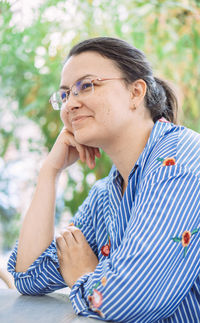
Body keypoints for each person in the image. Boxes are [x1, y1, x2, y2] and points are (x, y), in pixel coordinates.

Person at [7, 37, 200, 322]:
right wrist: (50, 171)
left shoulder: (181, 161)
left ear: (136, 92)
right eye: (64, 95)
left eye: (86, 85)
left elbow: (131, 300)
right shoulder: (107, 193)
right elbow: (28, 276)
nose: (70, 104)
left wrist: (84, 274)